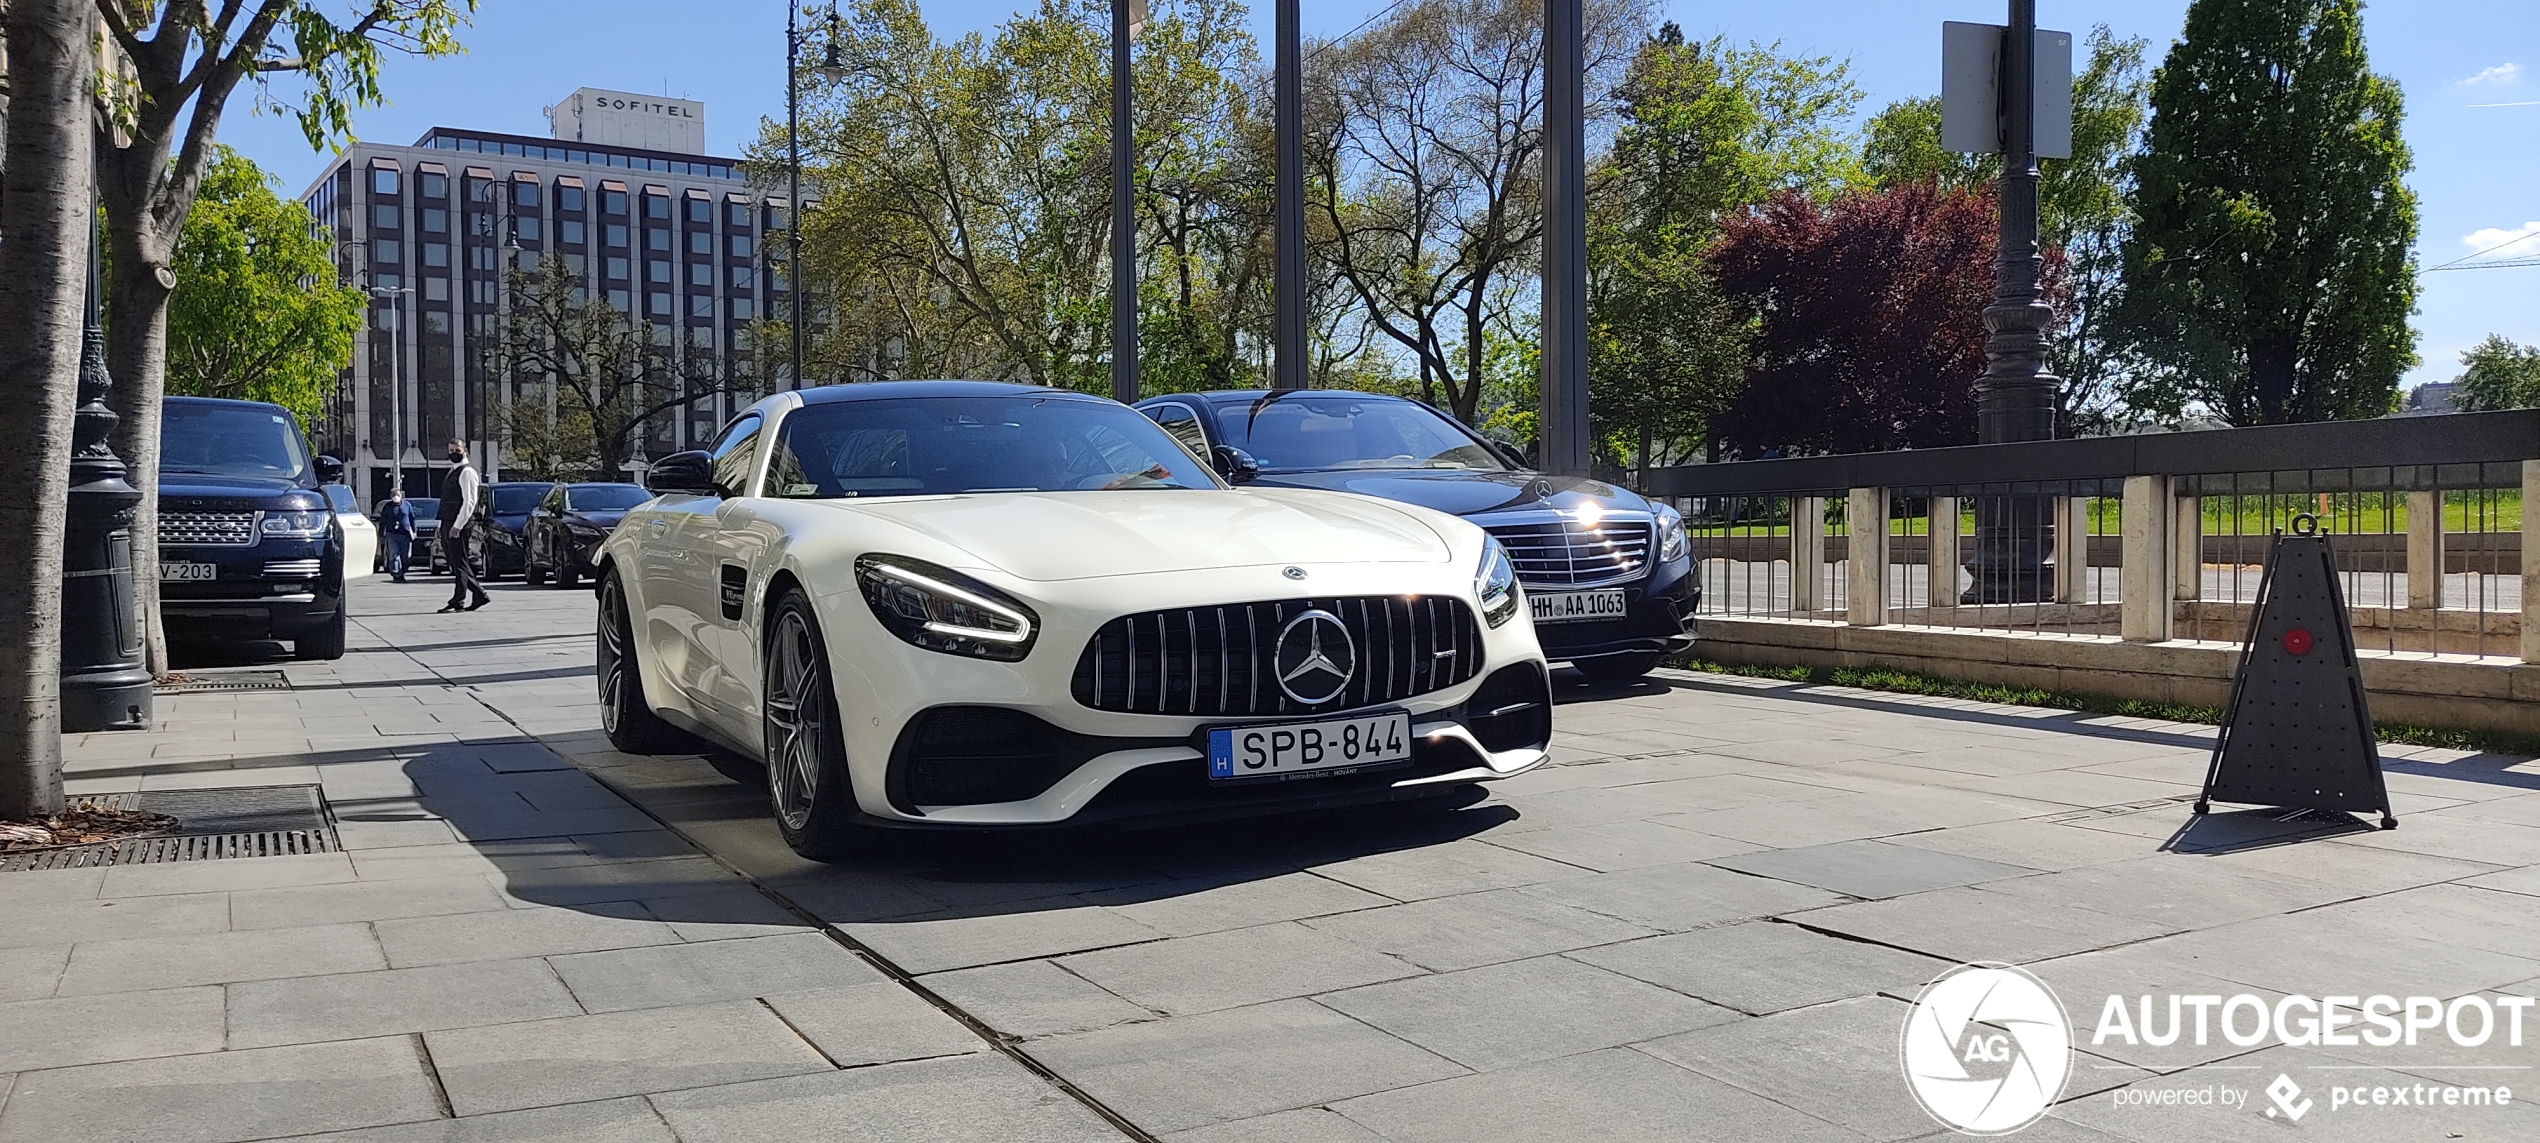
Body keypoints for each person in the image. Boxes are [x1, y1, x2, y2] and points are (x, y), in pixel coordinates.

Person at [438, 439, 489, 613]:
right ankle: (477, 594)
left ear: (465, 450)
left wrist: (458, 525)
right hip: (448, 520)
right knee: (456, 562)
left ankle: (459, 599)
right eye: (451, 449)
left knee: (459, 561)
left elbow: (470, 502)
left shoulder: (467, 472)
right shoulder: (453, 471)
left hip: (458, 523)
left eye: (457, 449)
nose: (453, 453)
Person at [380, 490, 416, 583]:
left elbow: (412, 518)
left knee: (406, 556)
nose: (395, 496)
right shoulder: (387, 507)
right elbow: (382, 521)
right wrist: (381, 535)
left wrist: (414, 531)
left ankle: (403, 571)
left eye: (397, 495)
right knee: (394, 554)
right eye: (393, 495)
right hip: (392, 534)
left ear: (401, 496)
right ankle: (397, 575)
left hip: (405, 534)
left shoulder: (407, 505)